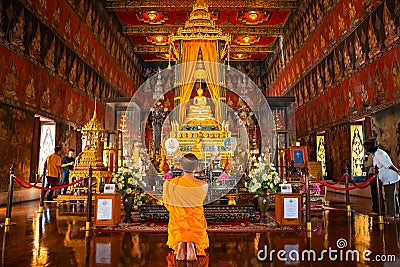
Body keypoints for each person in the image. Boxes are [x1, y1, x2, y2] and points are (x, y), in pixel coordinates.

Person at [163, 153, 209, 261]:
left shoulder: (172, 184)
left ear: (181, 166)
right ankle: (190, 244)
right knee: (192, 217)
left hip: (178, 221)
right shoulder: (204, 184)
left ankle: (181, 243)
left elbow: (167, 202)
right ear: (197, 167)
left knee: (178, 216)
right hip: (195, 220)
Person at [363, 140, 400, 220]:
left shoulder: (379, 155)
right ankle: (397, 212)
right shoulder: (377, 153)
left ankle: (391, 214)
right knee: (393, 195)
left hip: (389, 176)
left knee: (389, 196)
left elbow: (389, 165)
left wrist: (397, 170)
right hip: (386, 176)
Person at [364, 151, 385, 215]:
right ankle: (381, 208)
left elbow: (368, 164)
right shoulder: (381, 153)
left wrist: (365, 162)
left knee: (374, 192)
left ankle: (376, 209)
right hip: (380, 174)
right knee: (379, 192)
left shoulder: (372, 155)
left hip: (373, 174)